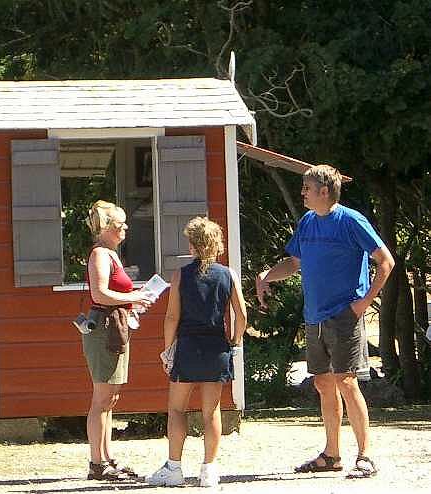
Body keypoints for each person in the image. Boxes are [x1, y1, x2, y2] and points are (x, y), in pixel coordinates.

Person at [256, 165, 395, 478]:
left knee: (347, 381)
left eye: (307, 187)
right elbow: (294, 262)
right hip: (314, 316)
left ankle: (366, 455)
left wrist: (363, 304)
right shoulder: (307, 222)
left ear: (324, 191)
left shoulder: (351, 220)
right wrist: (266, 275)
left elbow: (386, 261)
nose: (302, 192)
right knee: (322, 382)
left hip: (344, 316)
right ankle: (332, 454)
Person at [147, 217, 247, 487]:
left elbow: (171, 318)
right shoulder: (228, 274)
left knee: (177, 409)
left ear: (192, 245)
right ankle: (209, 469)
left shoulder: (181, 275)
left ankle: (174, 467)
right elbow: (242, 314)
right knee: (211, 410)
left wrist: (169, 350)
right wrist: (234, 342)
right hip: (217, 347)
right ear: (217, 245)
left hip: (188, 347)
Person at [82, 200, 154, 480]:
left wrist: (130, 304)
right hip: (104, 329)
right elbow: (99, 295)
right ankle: (96, 464)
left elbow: (112, 294)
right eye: (119, 223)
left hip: (115, 326)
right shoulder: (100, 254)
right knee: (101, 398)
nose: (125, 227)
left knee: (110, 398)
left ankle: (108, 458)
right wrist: (134, 297)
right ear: (107, 228)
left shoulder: (110, 254)